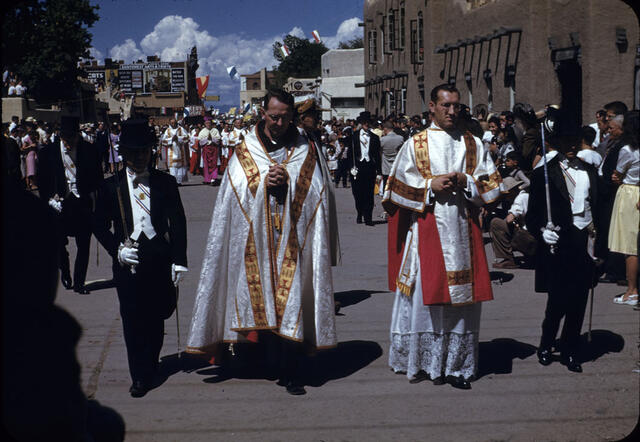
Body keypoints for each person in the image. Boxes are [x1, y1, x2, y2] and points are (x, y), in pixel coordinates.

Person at [187, 88, 340, 395]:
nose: (279, 122)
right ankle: (262, 361)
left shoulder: (305, 149)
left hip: (293, 244)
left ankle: (292, 371)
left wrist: (290, 183)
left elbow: (319, 194)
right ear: (263, 113)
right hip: (253, 242)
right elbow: (234, 192)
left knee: (291, 301)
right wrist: (261, 184)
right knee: (261, 305)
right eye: (274, 116)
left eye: (285, 117)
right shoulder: (247, 149)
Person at [383, 84, 501, 389]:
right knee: (426, 299)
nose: (452, 111)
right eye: (445, 105)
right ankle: (426, 363)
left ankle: (457, 366)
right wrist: (428, 187)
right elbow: (394, 188)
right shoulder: (416, 144)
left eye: (456, 106)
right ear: (432, 108)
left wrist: (466, 181)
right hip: (427, 228)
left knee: (463, 302)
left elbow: (492, 186)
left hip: (464, 231)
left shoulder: (472, 144)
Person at [94, 119, 188, 398]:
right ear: (123, 153)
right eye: (134, 152)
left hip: (159, 260)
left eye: (144, 151)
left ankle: (150, 361)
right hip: (129, 263)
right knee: (133, 319)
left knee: (157, 316)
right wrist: (117, 249)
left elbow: (178, 223)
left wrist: (179, 259)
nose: (139, 157)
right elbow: (99, 224)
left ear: (152, 151)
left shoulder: (166, 183)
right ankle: (140, 375)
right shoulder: (111, 187)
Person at [526, 112, 600, 373]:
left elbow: (599, 208)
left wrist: (599, 241)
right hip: (558, 240)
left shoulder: (590, 172)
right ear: (556, 143)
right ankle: (546, 345)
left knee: (578, 301)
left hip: (584, 240)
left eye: (574, 141)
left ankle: (570, 350)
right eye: (565, 142)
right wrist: (540, 231)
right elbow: (531, 214)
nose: (570, 147)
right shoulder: (544, 174)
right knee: (557, 301)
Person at [38, 116, 103, 294]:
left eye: (72, 138)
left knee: (84, 244)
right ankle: (65, 272)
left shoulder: (89, 151)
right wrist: (49, 199)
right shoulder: (47, 153)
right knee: (58, 243)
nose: (69, 143)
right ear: (60, 136)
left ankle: (79, 282)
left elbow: (98, 179)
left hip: (82, 202)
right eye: (65, 139)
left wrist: (95, 201)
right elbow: (42, 181)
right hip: (59, 203)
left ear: (78, 136)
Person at [609, 111, 639, 306]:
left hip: (630, 194)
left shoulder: (628, 149)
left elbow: (618, 174)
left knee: (630, 247)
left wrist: (616, 177)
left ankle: (632, 290)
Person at [347, 111, 381, 226]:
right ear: (361, 123)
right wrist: (350, 168)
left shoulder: (375, 138)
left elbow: (377, 155)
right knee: (357, 193)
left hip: (369, 167)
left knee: (369, 194)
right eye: (364, 122)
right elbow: (349, 154)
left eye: (368, 122)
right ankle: (359, 212)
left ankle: (368, 218)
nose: (366, 124)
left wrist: (379, 171)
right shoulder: (354, 137)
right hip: (357, 167)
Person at [161, 119, 189, 185]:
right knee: (172, 167)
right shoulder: (167, 130)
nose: (173, 124)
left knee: (180, 166)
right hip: (171, 151)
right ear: (170, 123)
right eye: (172, 123)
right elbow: (163, 141)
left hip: (180, 150)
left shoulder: (181, 129)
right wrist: (171, 139)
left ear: (176, 123)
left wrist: (178, 138)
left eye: (174, 123)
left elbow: (187, 137)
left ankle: (179, 181)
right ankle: (173, 181)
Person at [380, 120, 404, 194]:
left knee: (386, 182)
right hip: (396, 163)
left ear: (385, 129)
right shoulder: (400, 138)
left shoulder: (382, 140)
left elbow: (380, 151)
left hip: (385, 164)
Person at [198, 118, 221, 185]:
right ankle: (207, 179)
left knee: (214, 164)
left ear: (211, 123)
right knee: (206, 164)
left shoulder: (215, 130)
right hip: (206, 150)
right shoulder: (202, 131)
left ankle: (213, 179)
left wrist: (212, 139)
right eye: (207, 123)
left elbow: (218, 140)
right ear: (205, 124)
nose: (208, 124)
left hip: (214, 149)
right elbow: (200, 141)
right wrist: (206, 139)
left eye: (209, 123)